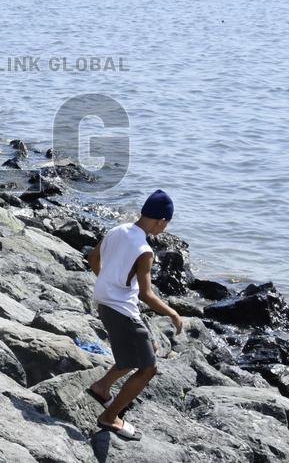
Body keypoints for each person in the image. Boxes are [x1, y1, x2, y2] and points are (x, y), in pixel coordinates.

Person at [85, 189, 183, 441]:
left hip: (105, 303)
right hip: (122, 310)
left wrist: (106, 281)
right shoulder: (144, 250)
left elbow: (93, 257)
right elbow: (146, 295)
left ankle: (101, 387)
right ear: (161, 220)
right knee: (148, 368)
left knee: (140, 349)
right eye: (166, 223)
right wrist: (173, 314)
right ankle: (110, 417)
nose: (164, 228)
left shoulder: (118, 230)